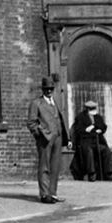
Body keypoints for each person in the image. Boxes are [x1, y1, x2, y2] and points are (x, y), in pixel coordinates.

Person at [26, 76, 69, 204]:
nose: (49, 91)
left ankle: (53, 193)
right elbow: (31, 123)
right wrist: (40, 134)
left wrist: (67, 137)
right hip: (45, 139)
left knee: (55, 166)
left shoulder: (55, 102)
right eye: (46, 89)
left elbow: (60, 119)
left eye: (51, 89)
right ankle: (44, 194)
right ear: (43, 90)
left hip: (58, 137)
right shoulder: (36, 103)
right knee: (44, 166)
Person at [70, 99, 112, 181]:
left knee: (106, 151)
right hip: (85, 141)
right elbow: (79, 130)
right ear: (87, 109)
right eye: (91, 109)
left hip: (97, 140)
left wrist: (96, 128)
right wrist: (89, 130)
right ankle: (92, 173)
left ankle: (109, 173)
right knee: (88, 151)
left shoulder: (98, 117)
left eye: (94, 108)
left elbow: (103, 127)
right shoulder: (80, 117)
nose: (93, 111)